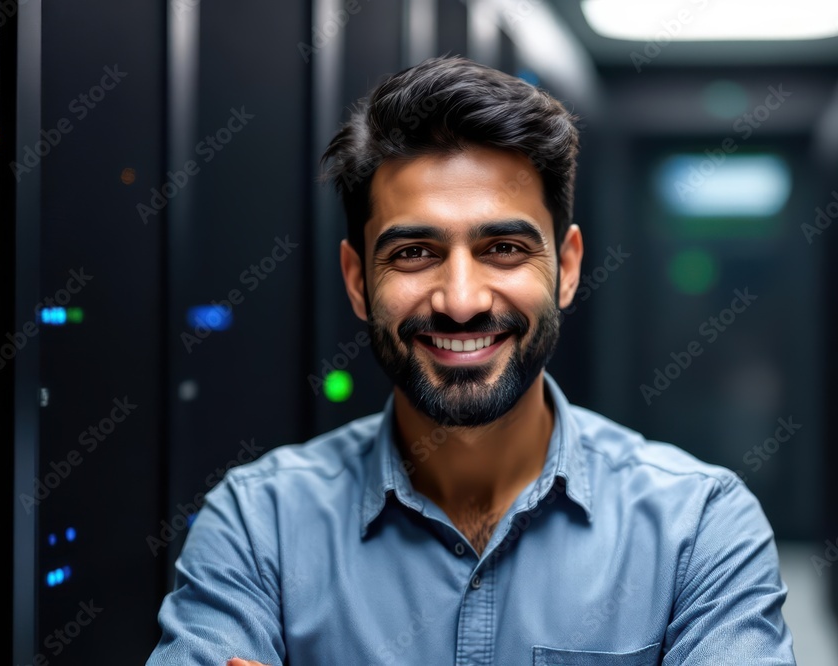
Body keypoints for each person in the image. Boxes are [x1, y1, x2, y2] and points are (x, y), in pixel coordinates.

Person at [147, 56, 795, 666]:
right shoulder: (260, 525)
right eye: (413, 253)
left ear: (566, 269)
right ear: (356, 280)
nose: (461, 301)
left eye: (505, 248)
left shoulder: (698, 527)